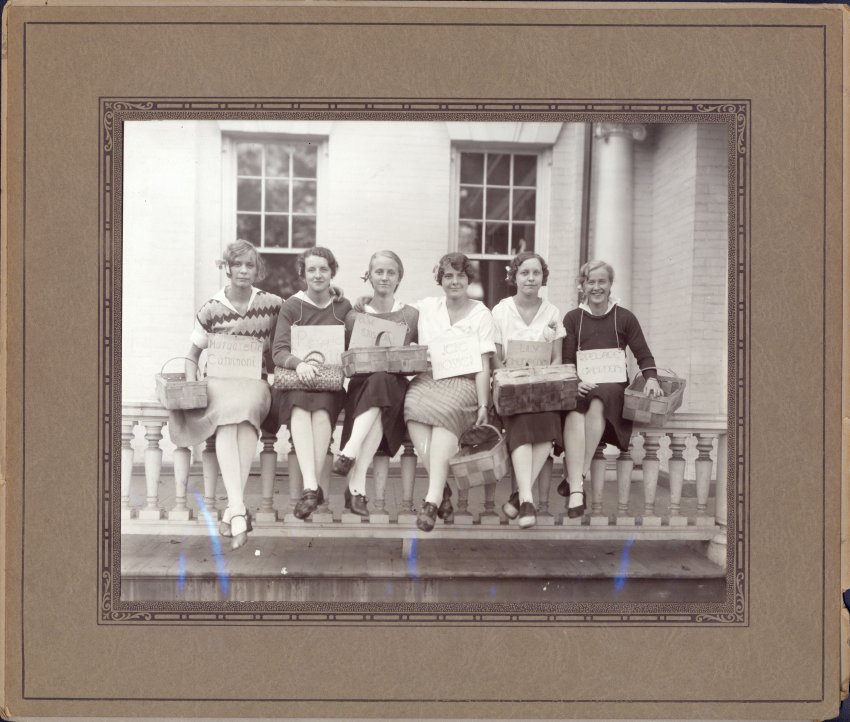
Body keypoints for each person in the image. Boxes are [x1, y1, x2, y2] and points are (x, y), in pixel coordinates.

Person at [169, 240, 282, 551]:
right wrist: (192, 384)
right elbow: (192, 355)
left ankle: (234, 510)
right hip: (219, 382)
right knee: (230, 420)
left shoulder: (273, 304)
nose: (244, 270)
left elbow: (297, 323)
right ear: (227, 268)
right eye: (238, 265)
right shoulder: (210, 309)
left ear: (257, 269)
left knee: (244, 411)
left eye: (250, 265)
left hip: (254, 383)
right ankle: (238, 510)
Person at [561, 260, 663, 518]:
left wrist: (651, 378)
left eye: (601, 281)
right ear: (582, 286)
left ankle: (576, 481)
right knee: (574, 409)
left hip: (613, 388)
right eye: (590, 282)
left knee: (598, 401)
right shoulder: (573, 318)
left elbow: (644, 355)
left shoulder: (625, 317)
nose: (596, 287)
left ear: (610, 284)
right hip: (582, 384)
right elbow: (566, 360)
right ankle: (576, 484)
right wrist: (575, 381)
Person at [404, 252, 496, 532]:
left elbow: (483, 364)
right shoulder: (427, 307)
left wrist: (483, 405)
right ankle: (441, 489)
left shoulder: (481, 313)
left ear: (468, 279)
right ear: (440, 280)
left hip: (463, 383)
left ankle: (431, 501)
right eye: (448, 276)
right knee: (412, 407)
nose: (454, 281)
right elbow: (392, 311)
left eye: (460, 276)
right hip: (430, 379)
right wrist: (358, 303)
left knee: (446, 413)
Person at [266, 247, 352, 520]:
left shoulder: (342, 306)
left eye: (323, 269)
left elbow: (353, 344)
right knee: (300, 409)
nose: (318, 275)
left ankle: (311, 490)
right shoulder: (292, 306)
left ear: (332, 272)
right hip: (296, 382)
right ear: (303, 273)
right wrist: (299, 364)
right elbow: (278, 350)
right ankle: (312, 487)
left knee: (324, 410)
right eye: (311, 269)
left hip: (328, 383)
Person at [334, 251, 419, 517]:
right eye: (379, 271)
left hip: (396, 384)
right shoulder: (354, 316)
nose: (384, 277)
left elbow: (421, 353)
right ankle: (355, 487)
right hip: (362, 386)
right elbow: (345, 355)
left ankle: (349, 454)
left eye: (390, 272)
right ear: (369, 276)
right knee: (379, 395)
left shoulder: (412, 316)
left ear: (399, 278)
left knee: (385, 381)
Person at [491, 252, 566, 529]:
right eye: (524, 272)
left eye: (536, 273)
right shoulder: (501, 310)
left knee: (548, 424)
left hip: (543, 389)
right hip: (511, 388)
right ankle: (525, 499)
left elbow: (557, 358)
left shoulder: (552, 312)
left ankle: (521, 499)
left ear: (542, 277)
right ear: (515, 276)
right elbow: (495, 357)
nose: (531, 278)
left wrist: (544, 379)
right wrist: (508, 379)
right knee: (521, 421)